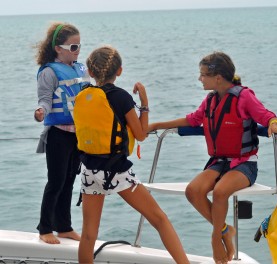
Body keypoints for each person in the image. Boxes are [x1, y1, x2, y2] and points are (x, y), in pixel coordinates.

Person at [148, 51, 277, 264]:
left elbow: (266, 116)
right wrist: (157, 125)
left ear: (218, 77)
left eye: (203, 74)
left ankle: (216, 239)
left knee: (220, 192)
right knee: (193, 191)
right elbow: (193, 120)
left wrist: (275, 125)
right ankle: (225, 230)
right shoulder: (210, 100)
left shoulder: (244, 97)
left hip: (245, 164)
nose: (200, 78)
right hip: (219, 162)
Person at [74, 45, 190, 264]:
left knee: (89, 234)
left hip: (89, 170)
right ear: (119, 71)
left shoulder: (84, 95)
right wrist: (144, 104)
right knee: (160, 220)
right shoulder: (122, 97)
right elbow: (141, 134)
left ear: (90, 72)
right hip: (116, 171)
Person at [34, 22, 88, 244]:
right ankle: (44, 228)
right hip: (58, 134)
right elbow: (45, 100)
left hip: (78, 134)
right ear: (59, 48)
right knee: (55, 181)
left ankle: (64, 227)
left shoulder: (80, 68)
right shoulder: (49, 71)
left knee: (69, 180)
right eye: (73, 46)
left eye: (79, 46)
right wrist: (40, 112)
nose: (78, 50)